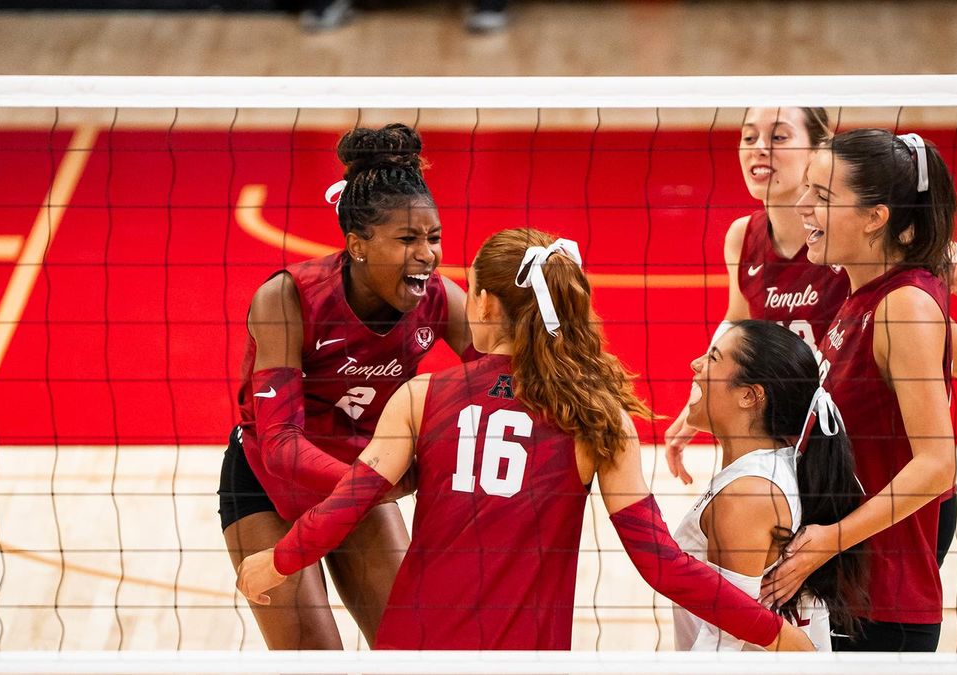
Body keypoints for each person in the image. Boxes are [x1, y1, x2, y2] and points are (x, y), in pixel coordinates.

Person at [236, 228, 814, 652]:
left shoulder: (421, 396)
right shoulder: (598, 418)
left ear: (485, 302)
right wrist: (775, 634)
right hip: (525, 657)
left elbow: (349, 503)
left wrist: (279, 561)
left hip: (415, 650)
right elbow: (661, 564)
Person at [664, 107, 957, 570]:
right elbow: (739, 322)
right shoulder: (746, 237)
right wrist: (699, 401)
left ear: (819, 149)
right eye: (749, 136)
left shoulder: (865, 241)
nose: (759, 149)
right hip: (811, 463)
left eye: (778, 137)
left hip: (881, 480)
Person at [219, 123, 475, 649]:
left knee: (412, 647)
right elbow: (281, 443)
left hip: (362, 474)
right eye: (407, 239)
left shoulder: (440, 298)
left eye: (433, 238)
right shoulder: (288, 298)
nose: (427, 254)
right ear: (357, 245)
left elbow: (507, 378)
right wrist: (375, 482)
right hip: (269, 483)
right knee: (315, 658)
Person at [759, 128, 957, 651]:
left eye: (823, 196)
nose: (802, 204)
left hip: (882, 605)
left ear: (875, 217)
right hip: (847, 588)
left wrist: (830, 540)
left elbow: (937, 464)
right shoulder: (862, 296)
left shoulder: (904, 305)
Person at [674, 320, 867, 651]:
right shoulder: (774, 468)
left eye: (713, 357)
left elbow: (725, 641)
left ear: (749, 396)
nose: (696, 364)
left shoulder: (749, 494)